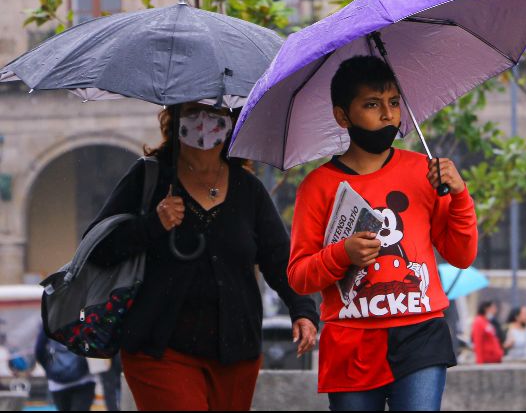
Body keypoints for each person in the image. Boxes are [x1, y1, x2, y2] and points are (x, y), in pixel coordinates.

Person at [87, 102, 320, 411]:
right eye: (193, 111)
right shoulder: (148, 178)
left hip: (236, 353)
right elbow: (98, 248)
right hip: (159, 348)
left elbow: (279, 259)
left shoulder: (248, 189)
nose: (203, 121)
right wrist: (153, 225)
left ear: (232, 122)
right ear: (175, 117)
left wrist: (302, 310)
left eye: (216, 113)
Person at [288, 56, 478, 411]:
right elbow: (299, 277)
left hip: (421, 334)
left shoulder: (426, 171)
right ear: (342, 116)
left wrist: (459, 194)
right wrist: (342, 254)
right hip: (350, 343)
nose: (388, 114)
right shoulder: (317, 186)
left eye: (393, 102)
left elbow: (462, 255)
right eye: (372, 104)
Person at [35, 326, 95, 411]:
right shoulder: (82, 319)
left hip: (58, 381)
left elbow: (39, 349)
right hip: (84, 378)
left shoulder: (49, 322)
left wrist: (49, 367)